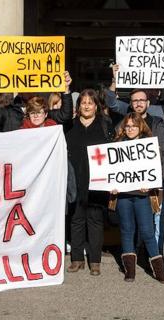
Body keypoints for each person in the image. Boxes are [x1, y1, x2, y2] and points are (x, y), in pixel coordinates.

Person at [110, 113, 164, 284]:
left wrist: (150, 184)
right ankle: (130, 271)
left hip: (143, 196)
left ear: (140, 127)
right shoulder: (117, 145)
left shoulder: (149, 145)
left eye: (133, 126)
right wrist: (111, 185)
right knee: (127, 231)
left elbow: (156, 170)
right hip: (123, 196)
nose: (130, 129)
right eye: (127, 126)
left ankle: (159, 271)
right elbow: (110, 171)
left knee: (148, 232)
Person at [65, 89, 114, 276]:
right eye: (83, 102)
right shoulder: (69, 125)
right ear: (78, 106)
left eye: (90, 103)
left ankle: (95, 260)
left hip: (97, 182)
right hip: (74, 180)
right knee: (76, 220)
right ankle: (77, 259)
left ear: (96, 106)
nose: (86, 105)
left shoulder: (104, 125)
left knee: (95, 221)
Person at [0, 71, 73, 131]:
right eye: (25, 82)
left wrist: (66, 89)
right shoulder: (9, 112)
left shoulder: (44, 109)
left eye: (31, 82)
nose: (28, 87)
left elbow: (65, 115)